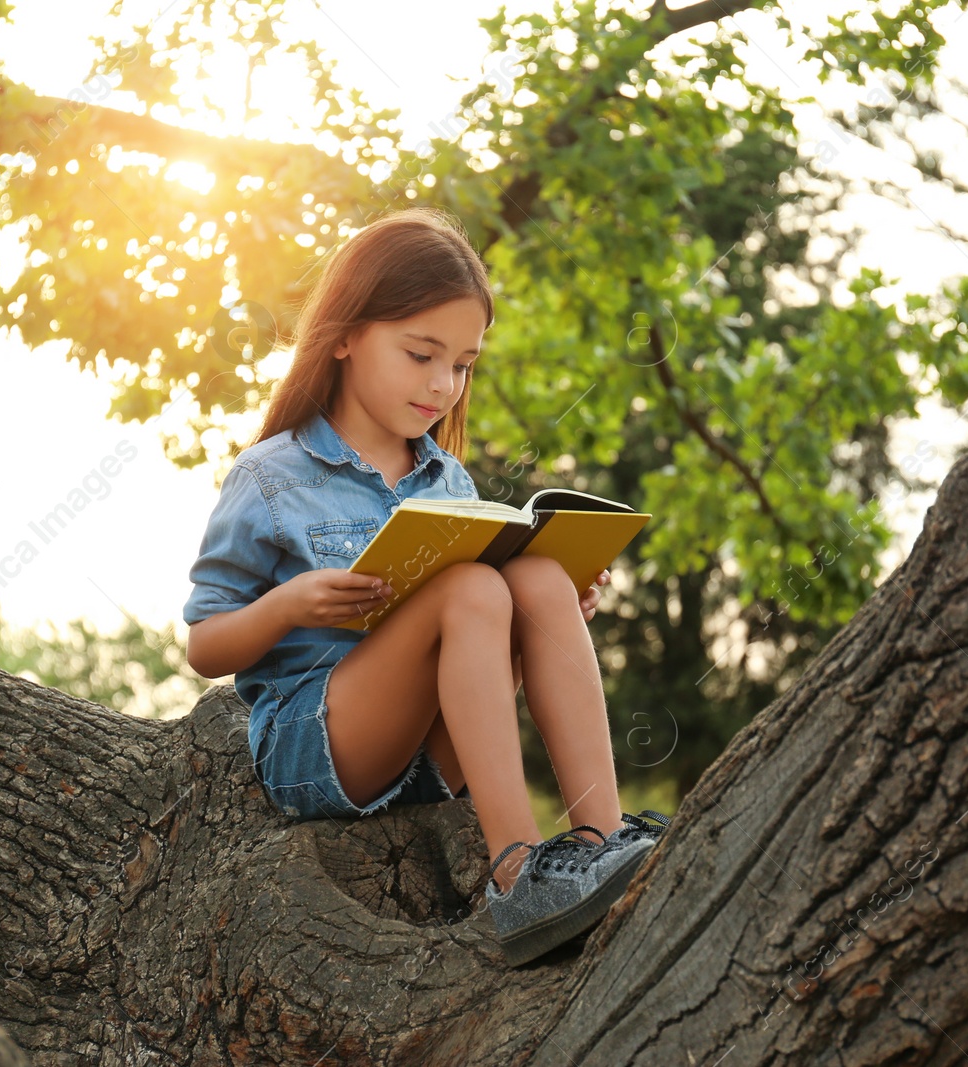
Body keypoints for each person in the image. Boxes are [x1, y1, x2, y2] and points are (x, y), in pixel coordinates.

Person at [182, 205, 671, 966]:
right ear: (344, 335)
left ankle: (602, 839)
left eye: (464, 364)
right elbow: (205, 644)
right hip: (320, 743)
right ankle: (517, 875)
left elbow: (485, 622)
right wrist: (289, 604)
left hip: (433, 746)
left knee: (535, 576)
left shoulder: (448, 479)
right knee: (472, 590)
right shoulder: (272, 474)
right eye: (421, 354)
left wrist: (548, 612)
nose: (445, 384)